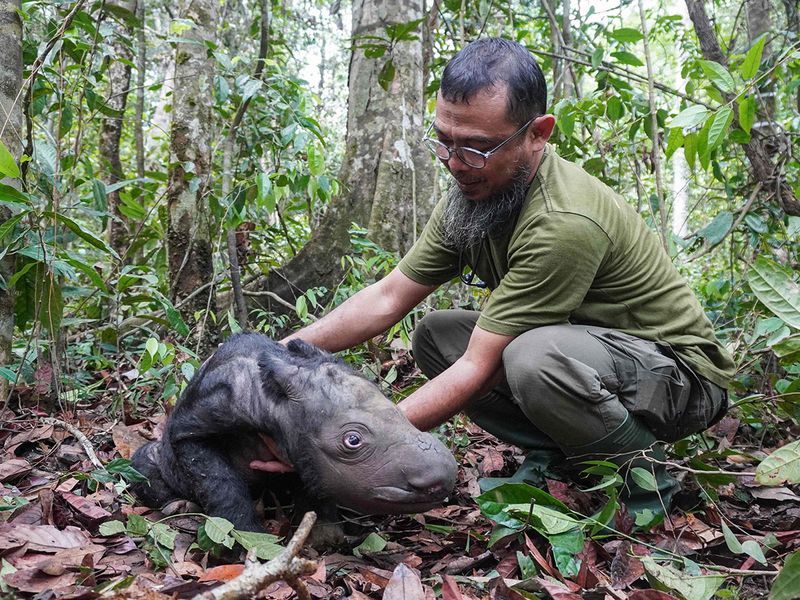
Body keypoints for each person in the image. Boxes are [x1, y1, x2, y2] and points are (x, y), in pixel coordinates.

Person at [255, 37, 736, 514]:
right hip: (591, 355)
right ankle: (558, 455)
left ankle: (645, 482)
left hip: (680, 376)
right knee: (437, 335)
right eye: (444, 141)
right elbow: (388, 297)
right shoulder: (474, 191)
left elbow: (477, 367)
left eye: (478, 148)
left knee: (533, 356)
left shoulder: (563, 222)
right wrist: (270, 358)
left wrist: (353, 449)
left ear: (538, 133)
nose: (457, 164)